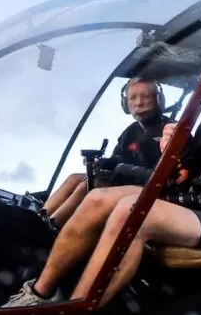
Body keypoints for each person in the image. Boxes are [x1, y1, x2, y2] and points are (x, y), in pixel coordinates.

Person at [3, 42, 201, 315]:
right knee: (97, 197)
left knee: (132, 211)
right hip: (186, 202)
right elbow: (182, 174)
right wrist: (172, 154)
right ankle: (39, 293)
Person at [41, 77, 173, 229]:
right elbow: (118, 157)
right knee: (75, 178)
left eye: (146, 96)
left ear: (158, 100)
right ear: (125, 103)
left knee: (92, 183)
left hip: (154, 192)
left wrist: (118, 167)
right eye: (132, 98)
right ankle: (40, 214)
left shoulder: (170, 132)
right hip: (128, 182)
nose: (138, 103)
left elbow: (164, 177)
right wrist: (104, 163)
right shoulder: (131, 132)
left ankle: (51, 226)